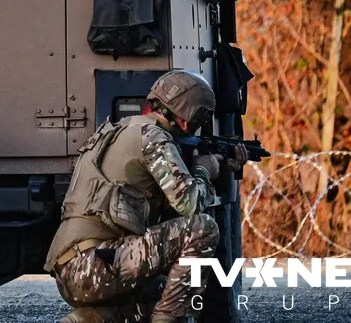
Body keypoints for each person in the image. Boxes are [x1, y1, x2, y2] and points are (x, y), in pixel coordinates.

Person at [44, 70, 249, 323]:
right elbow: (190, 205)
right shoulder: (153, 138)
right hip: (95, 265)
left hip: (76, 271)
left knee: (162, 289)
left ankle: (89, 319)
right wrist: (204, 170)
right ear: (189, 118)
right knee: (203, 229)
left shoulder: (120, 130)